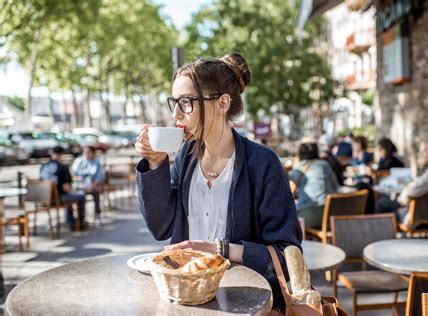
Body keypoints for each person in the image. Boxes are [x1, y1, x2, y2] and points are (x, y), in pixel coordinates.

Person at [134, 52, 302, 311]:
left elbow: (287, 254)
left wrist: (220, 249)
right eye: (174, 102)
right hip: (187, 300)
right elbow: (161, 228)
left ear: (223, 103)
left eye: (187, 102)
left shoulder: (263, 164)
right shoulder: (185, 160)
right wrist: (156, 163)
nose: (177, 113)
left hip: (245, 302)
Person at [376, 138, 428, 224]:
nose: (420, 154)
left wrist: (402, 197)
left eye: (424, 151)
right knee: (385, 202)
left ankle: (382, 234)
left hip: (424, 216)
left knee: (382, 204)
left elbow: (413, 190)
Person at [289, 140, 338, 229]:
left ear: (299, 154)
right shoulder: (324, 165)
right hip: (332, 213)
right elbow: (335, 186)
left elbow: (290, 194)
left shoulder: (297, 170)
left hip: (310, 215)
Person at [40, 146, 87, 230]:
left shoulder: (43, 166)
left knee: (69, 196)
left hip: (43, 199)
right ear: (61, 155)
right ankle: (78, 222)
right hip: (58, 199)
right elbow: (67, 188)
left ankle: (70, 220)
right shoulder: (63, 167)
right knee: (79, 196)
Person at [72, 146, 105, 225]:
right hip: (80, 185)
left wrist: (92, 186)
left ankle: (97, 214)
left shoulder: (96, 163)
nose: (86, 154)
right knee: (80, 196)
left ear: (93, 153)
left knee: (96, 193)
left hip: (92, 185)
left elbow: (99, 176)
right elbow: (73, 174)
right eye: (85, 152)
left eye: (88, 152)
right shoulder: (79, 161)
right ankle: (80, 218)